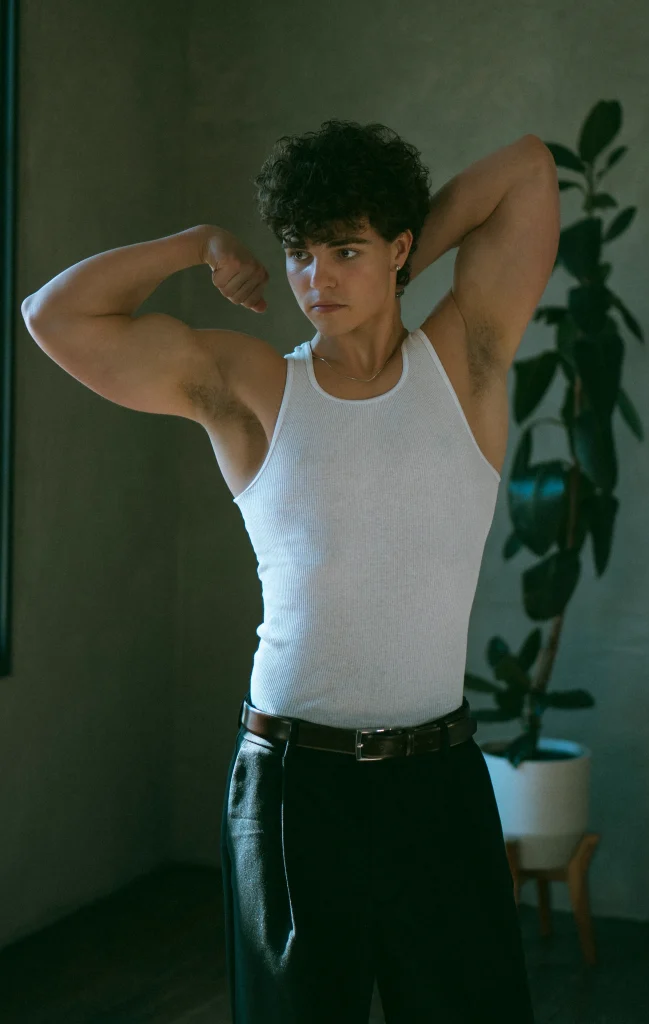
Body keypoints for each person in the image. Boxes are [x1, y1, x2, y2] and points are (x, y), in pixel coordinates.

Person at [22, 118, 559, 1023]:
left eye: (344, 251)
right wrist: (196, 246)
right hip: (290, 790)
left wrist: (392, 254)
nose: (316, 279)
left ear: (398, 248)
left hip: (438, 778)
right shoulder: (255, 387)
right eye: (300, 254)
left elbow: (528, 167)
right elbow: (53, 315)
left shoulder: (465, 360)